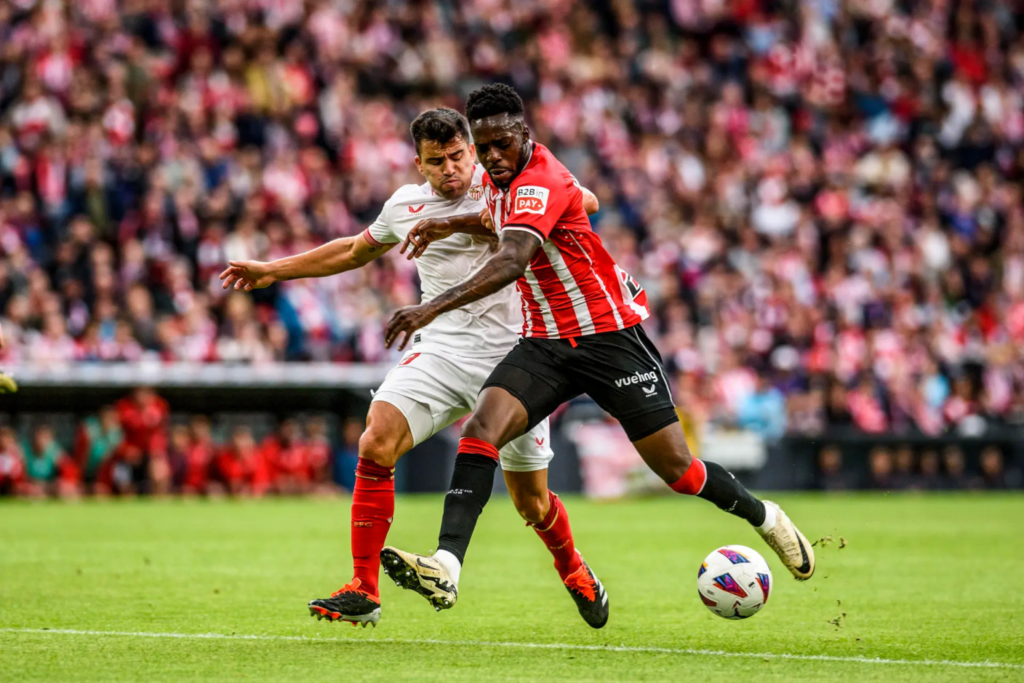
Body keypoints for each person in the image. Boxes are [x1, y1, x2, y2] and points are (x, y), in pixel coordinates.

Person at [380, 84, 815, 629]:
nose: (492, 157)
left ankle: (764, 515)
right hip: (545, 344)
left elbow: (514, 256)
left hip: (608, 338)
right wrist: (449, 221)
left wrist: (429, 308)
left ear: (525, 134)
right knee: (481, 429)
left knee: (678, 471)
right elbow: (502, 216)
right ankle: (446, 563)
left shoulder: (540, 177)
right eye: (484, 146)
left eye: (501, 144)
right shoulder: (497, 181)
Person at [219, 107, 598, 628]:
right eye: (436, 161)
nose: (450, 169)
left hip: (517, 356)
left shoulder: (510, 183)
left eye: (458, 156)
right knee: (376, 441)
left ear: (471, 149)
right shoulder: (405, 205)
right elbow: (354, 251)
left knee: (531, 503)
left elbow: (587, 201)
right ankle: (364, 587)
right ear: (419, 164)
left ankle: (575, 569)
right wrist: (273, 271)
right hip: (441, 349)